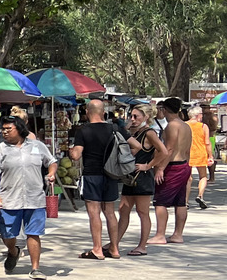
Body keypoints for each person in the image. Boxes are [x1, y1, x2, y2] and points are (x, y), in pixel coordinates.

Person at [0, 115, 54, 278]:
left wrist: (51, 173)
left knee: (34, 233)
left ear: (20, 129)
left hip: (34, 198)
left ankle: (35, 268)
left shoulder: (37, 146)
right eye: (3, 129)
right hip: (10, 199)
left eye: (8, 129)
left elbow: (51, 161)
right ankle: (13, 250)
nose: (4, 132)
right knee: (8, 234)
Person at [70, 98, 125, 260]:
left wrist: (71, 150)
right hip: (111, 175)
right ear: (103, 112)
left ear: (87, 112)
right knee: (110, 212)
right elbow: (134, 146)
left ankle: (97, 249)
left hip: (92, 174)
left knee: (94, 212)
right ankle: (114, 248)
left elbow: (76, 155)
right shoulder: (115, 128)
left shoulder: (84, 131)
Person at [115, 105, 163, 256]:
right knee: (123, 210)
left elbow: (164, 151)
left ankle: (142, 245)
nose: (133, 119)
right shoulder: (134, 133)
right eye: (132, 116)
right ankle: (114, 242)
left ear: (146, 117)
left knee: (142, 212)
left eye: (137, 116)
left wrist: (148, 166)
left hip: (142, 177)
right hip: (130, 176)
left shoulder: (149, 133)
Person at [153, 97, 192, 244]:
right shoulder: (185, 126)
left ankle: (160, 235)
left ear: (165, 110)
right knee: (180, 202)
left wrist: (160, 168)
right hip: (184, 164)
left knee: (160, 201)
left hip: (173, 166)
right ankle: (178, 234)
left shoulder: (172, 126)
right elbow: (187, 149)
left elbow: (169, 149)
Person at [185, 105, 212, 210]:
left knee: (188, 178)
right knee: (203, 176)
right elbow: (207, 142)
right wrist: (210, 156)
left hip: (187, 154)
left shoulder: (184, 125)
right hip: (200, 153)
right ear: (197, 115)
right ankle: (200, 195)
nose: (202, 116)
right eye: (201, 114)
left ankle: (185, 201)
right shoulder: (203, 126)